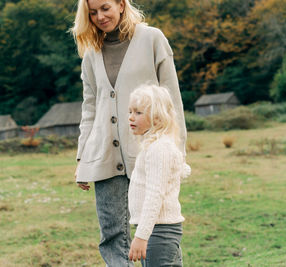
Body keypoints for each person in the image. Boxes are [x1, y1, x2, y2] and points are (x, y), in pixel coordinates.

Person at [70, 0, 187, 265]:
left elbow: (173, 102)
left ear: (121, 5)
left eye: (105, 8)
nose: (100, 17)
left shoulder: (152, 39)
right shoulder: (91, 52)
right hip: (104, 156)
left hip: (148, 152)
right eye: (92, 13)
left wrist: (177, 152)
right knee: (111, 237)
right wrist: (82, 158)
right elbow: (90, 108)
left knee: (157, 229)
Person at [127, 84, 190, 266]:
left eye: (138, 113)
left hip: (158, 232)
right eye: (130, 111)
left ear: (157, 116)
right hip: (158, 231)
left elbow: (155, 195)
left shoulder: (159, 148)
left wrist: (141, 236)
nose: (131, 117)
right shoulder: (156, 146)